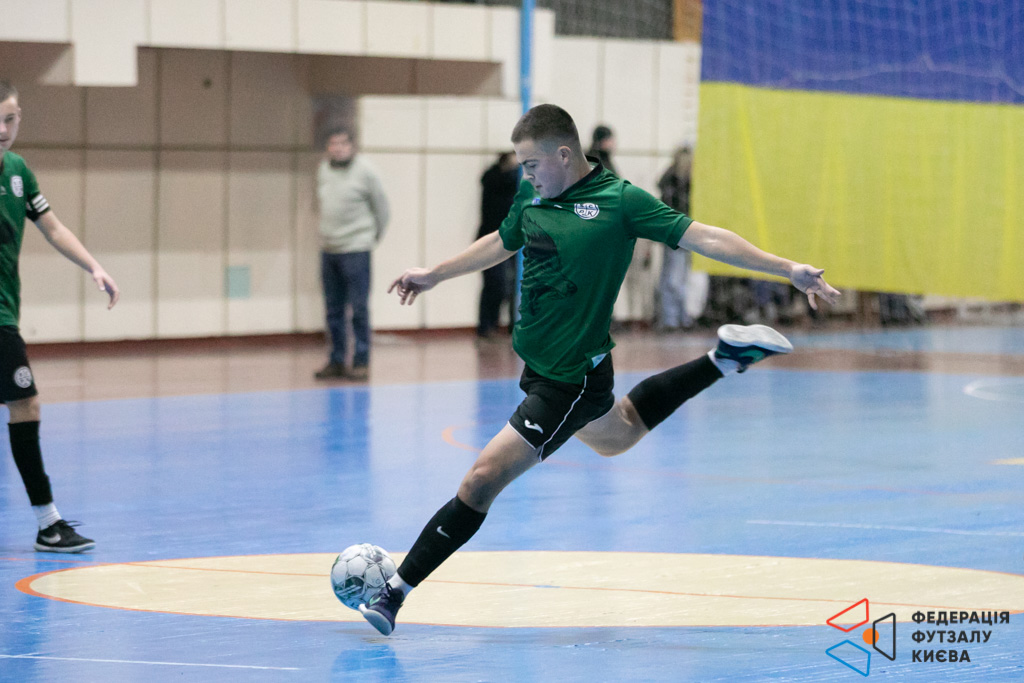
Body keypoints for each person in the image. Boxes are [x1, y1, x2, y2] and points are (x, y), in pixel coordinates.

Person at [363, 104, 840, 636]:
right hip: (542, 366)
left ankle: (394, 591)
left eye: (531, 165)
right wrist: (435, 274)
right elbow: (502, 240)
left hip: (571, 380)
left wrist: (786, 269)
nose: (526, 175)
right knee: (620, 434)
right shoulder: (532, 195)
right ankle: (724, 358)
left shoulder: (620, 202)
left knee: (482, 479)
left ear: (564, 155)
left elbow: (705, 236)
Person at [0, 80, 120, 553]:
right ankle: (48, 523)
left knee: (23, 405)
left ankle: (48, 525)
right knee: (25, 404)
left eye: (10, 119)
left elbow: (50, 226)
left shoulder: (17, 171)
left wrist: (94, 266)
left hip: (6, 310)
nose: (3, 129)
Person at [314, 129, 390, 381]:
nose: (337, 149)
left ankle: (361, 361)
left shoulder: (366, 171)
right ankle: (336, 360)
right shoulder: (324, 169)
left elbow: (382, 209)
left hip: (356, 248)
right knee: (333, 309)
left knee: (358, 308)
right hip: (329, 249)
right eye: (332, 144)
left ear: (352, 146)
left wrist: (369, 238)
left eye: (342, 144)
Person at [476, 151, 519, 339]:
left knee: (513, 285)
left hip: (512, 238)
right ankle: (487, 327)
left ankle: (511, 326)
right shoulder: (495, 180)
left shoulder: (511, 184)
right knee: (496, 284)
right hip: (492, 239)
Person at [657, 146, 697, 330]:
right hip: (679, 234)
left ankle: (675, 317)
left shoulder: (672, 181)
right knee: (675, 278)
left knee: (675, 277)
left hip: (677, 233)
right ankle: (674, 318)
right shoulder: (677, 182)